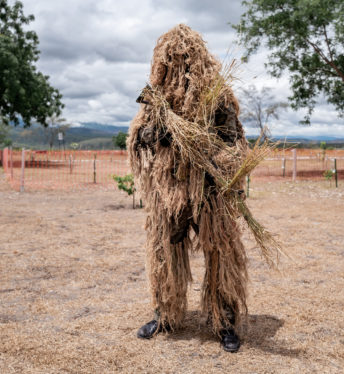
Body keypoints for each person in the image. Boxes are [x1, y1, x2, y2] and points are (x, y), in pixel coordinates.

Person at [128, 24, 248, 353]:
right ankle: (165, 314)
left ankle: (224, 321)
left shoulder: (217, 94)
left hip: (210, 191)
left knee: (221, 253)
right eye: (170, 59)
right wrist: (159, 134)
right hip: (168, 189)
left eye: (184, 58)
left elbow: (233, 137)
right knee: (164, 252)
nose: (177, 65)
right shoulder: (155, 96)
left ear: (197, 58)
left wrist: (209, 151)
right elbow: (139, 135)